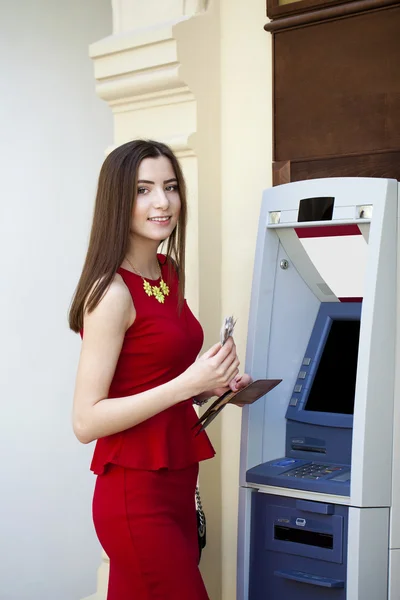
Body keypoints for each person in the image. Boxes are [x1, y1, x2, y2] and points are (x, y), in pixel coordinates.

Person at [69, 139, 251, 600]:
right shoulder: (111, 294)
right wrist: (186, 383)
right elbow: (86, 421)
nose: (163, 202)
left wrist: (211, 387)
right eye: (143, 190)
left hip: (177, 487)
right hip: (135, 497)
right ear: (118, 201)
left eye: (170, 187)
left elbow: (156, 382)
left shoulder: (166, 273)